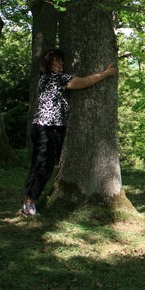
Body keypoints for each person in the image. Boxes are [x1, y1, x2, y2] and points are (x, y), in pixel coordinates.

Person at [21, 49, 117, 217]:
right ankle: (30, 205)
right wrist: (105, 74)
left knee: (38, 165)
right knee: (44, 166)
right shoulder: (57, 78)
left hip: (40, 126)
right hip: (49, 128)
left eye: (61, 61)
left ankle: (28, 202)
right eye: (57, 61)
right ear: (48, 64)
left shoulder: (43, 79)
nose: (61, 64)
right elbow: (85, 82)